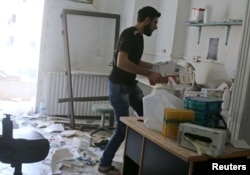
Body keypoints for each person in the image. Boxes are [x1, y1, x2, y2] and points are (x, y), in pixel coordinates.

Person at [98, 6, 165, 175]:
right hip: (119, 86)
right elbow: (122, 62)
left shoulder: (138, 37)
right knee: (122, 128)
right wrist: (150, 73)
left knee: (149, 116)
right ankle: (104, 164)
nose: (156, 27)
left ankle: (144, 159)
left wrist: (158, 67)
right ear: (147, 20)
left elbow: (135, 61)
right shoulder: (130, 34)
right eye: (155, 22)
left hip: (129, 85)